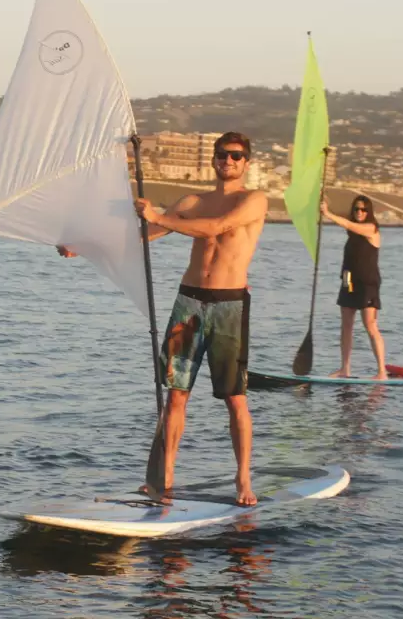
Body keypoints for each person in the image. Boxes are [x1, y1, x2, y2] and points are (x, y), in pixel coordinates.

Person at [62, 131, 267, 506]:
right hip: (189, 302)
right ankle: (165, 478)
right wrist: (85, 246)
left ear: (246, 162)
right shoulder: (193, 201)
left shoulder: (253, 200)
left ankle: (243, 480)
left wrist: (157, 214)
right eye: (222, 154)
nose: (228, 160)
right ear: (213, 159)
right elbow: (147, 232)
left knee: (235, 398)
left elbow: (215, 228)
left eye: (236, 155)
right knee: (175, 395)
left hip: (229, 306)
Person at [320, 194, 386, 380]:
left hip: (367, 284)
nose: (359, 212)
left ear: (369, 212)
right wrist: (326, 206)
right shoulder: (352, 235)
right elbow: (348, 225)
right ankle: (345, 369)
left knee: (370, 325)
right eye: (356, 209)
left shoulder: (371, 229)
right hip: (348, 281)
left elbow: (349, 224)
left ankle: (382, 371)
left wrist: (328, 214)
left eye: (363, 209)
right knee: (346, 326)